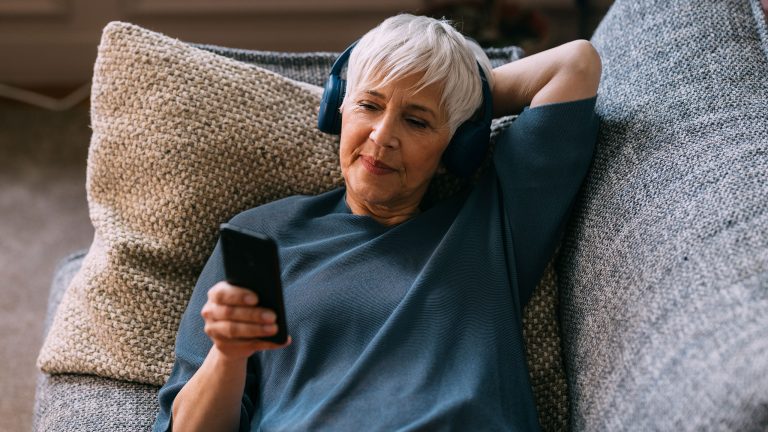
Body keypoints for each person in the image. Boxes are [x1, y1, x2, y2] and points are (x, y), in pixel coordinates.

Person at [153, 13, 600, 432]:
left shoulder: (491, 227)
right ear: (338, 110)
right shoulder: (264, 232)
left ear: (457, 145)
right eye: (369, 104)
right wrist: (229, 355)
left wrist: (459, 97)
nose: (383, 136)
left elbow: (575, 65)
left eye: (416, 121)